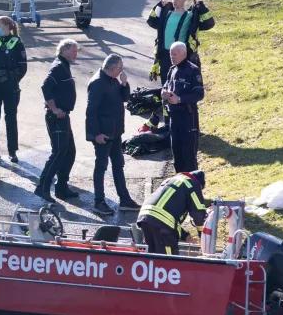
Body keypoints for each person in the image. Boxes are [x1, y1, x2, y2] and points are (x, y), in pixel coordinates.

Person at [85, 53, 140, 215]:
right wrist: (95, 134)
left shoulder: (113, 80)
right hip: (103, 134)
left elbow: (124, 98)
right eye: (120, 68)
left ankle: (124, 200)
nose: (122, 70)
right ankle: (99, 202)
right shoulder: (97, 83)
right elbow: (91, 112)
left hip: (115, 133)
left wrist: (124, 83)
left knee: (118, 164)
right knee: (101, 167)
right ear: (113, 68)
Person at [35, 38, 80, 202]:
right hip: (57, 117)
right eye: (74, 50)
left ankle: (61, 188)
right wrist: (54, 109)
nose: (76, 54)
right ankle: (42, 187)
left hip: (64, 116)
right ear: (64, 50)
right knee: (59, 152)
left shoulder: (64, 66)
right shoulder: (58, 67)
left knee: (69, 152)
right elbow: (46, 87)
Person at [146, 0, 214, 83]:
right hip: (165, 56)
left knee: (179, 87)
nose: (174, 1)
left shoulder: (190, 16)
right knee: (166, 87)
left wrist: (201, 6)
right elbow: (151, 20)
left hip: (181, 57)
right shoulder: (166, 14)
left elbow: (209, 23)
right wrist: (159, 5)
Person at [0, 16, 28, 164]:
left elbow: (23, 67)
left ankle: (12, 151)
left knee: (10, 119)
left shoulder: (17, 43)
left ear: (8, 27)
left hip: (10, 87)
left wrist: (10, 77)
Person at [137, 171, 209, 255]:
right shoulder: (193, 184)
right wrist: (203, 236)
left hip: (145, 217)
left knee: (151, 254)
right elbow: (198, 214)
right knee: (168, 259)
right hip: (161, 224)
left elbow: (167, 216)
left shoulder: (171, 180)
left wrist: (185, 236)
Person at [162, 42, 204, 172]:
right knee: (177, 156)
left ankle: (194, 188)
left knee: (189, 157)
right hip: (174, 118)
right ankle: (180, 188)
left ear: (184, 54)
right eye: (170, 54)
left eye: (175, 54)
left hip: (188, 118)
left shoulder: (193, 70)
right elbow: (166, 86)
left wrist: (180, 99)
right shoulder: (171, 69)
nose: (172, 57)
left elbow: (199, 94)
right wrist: (163, 93)